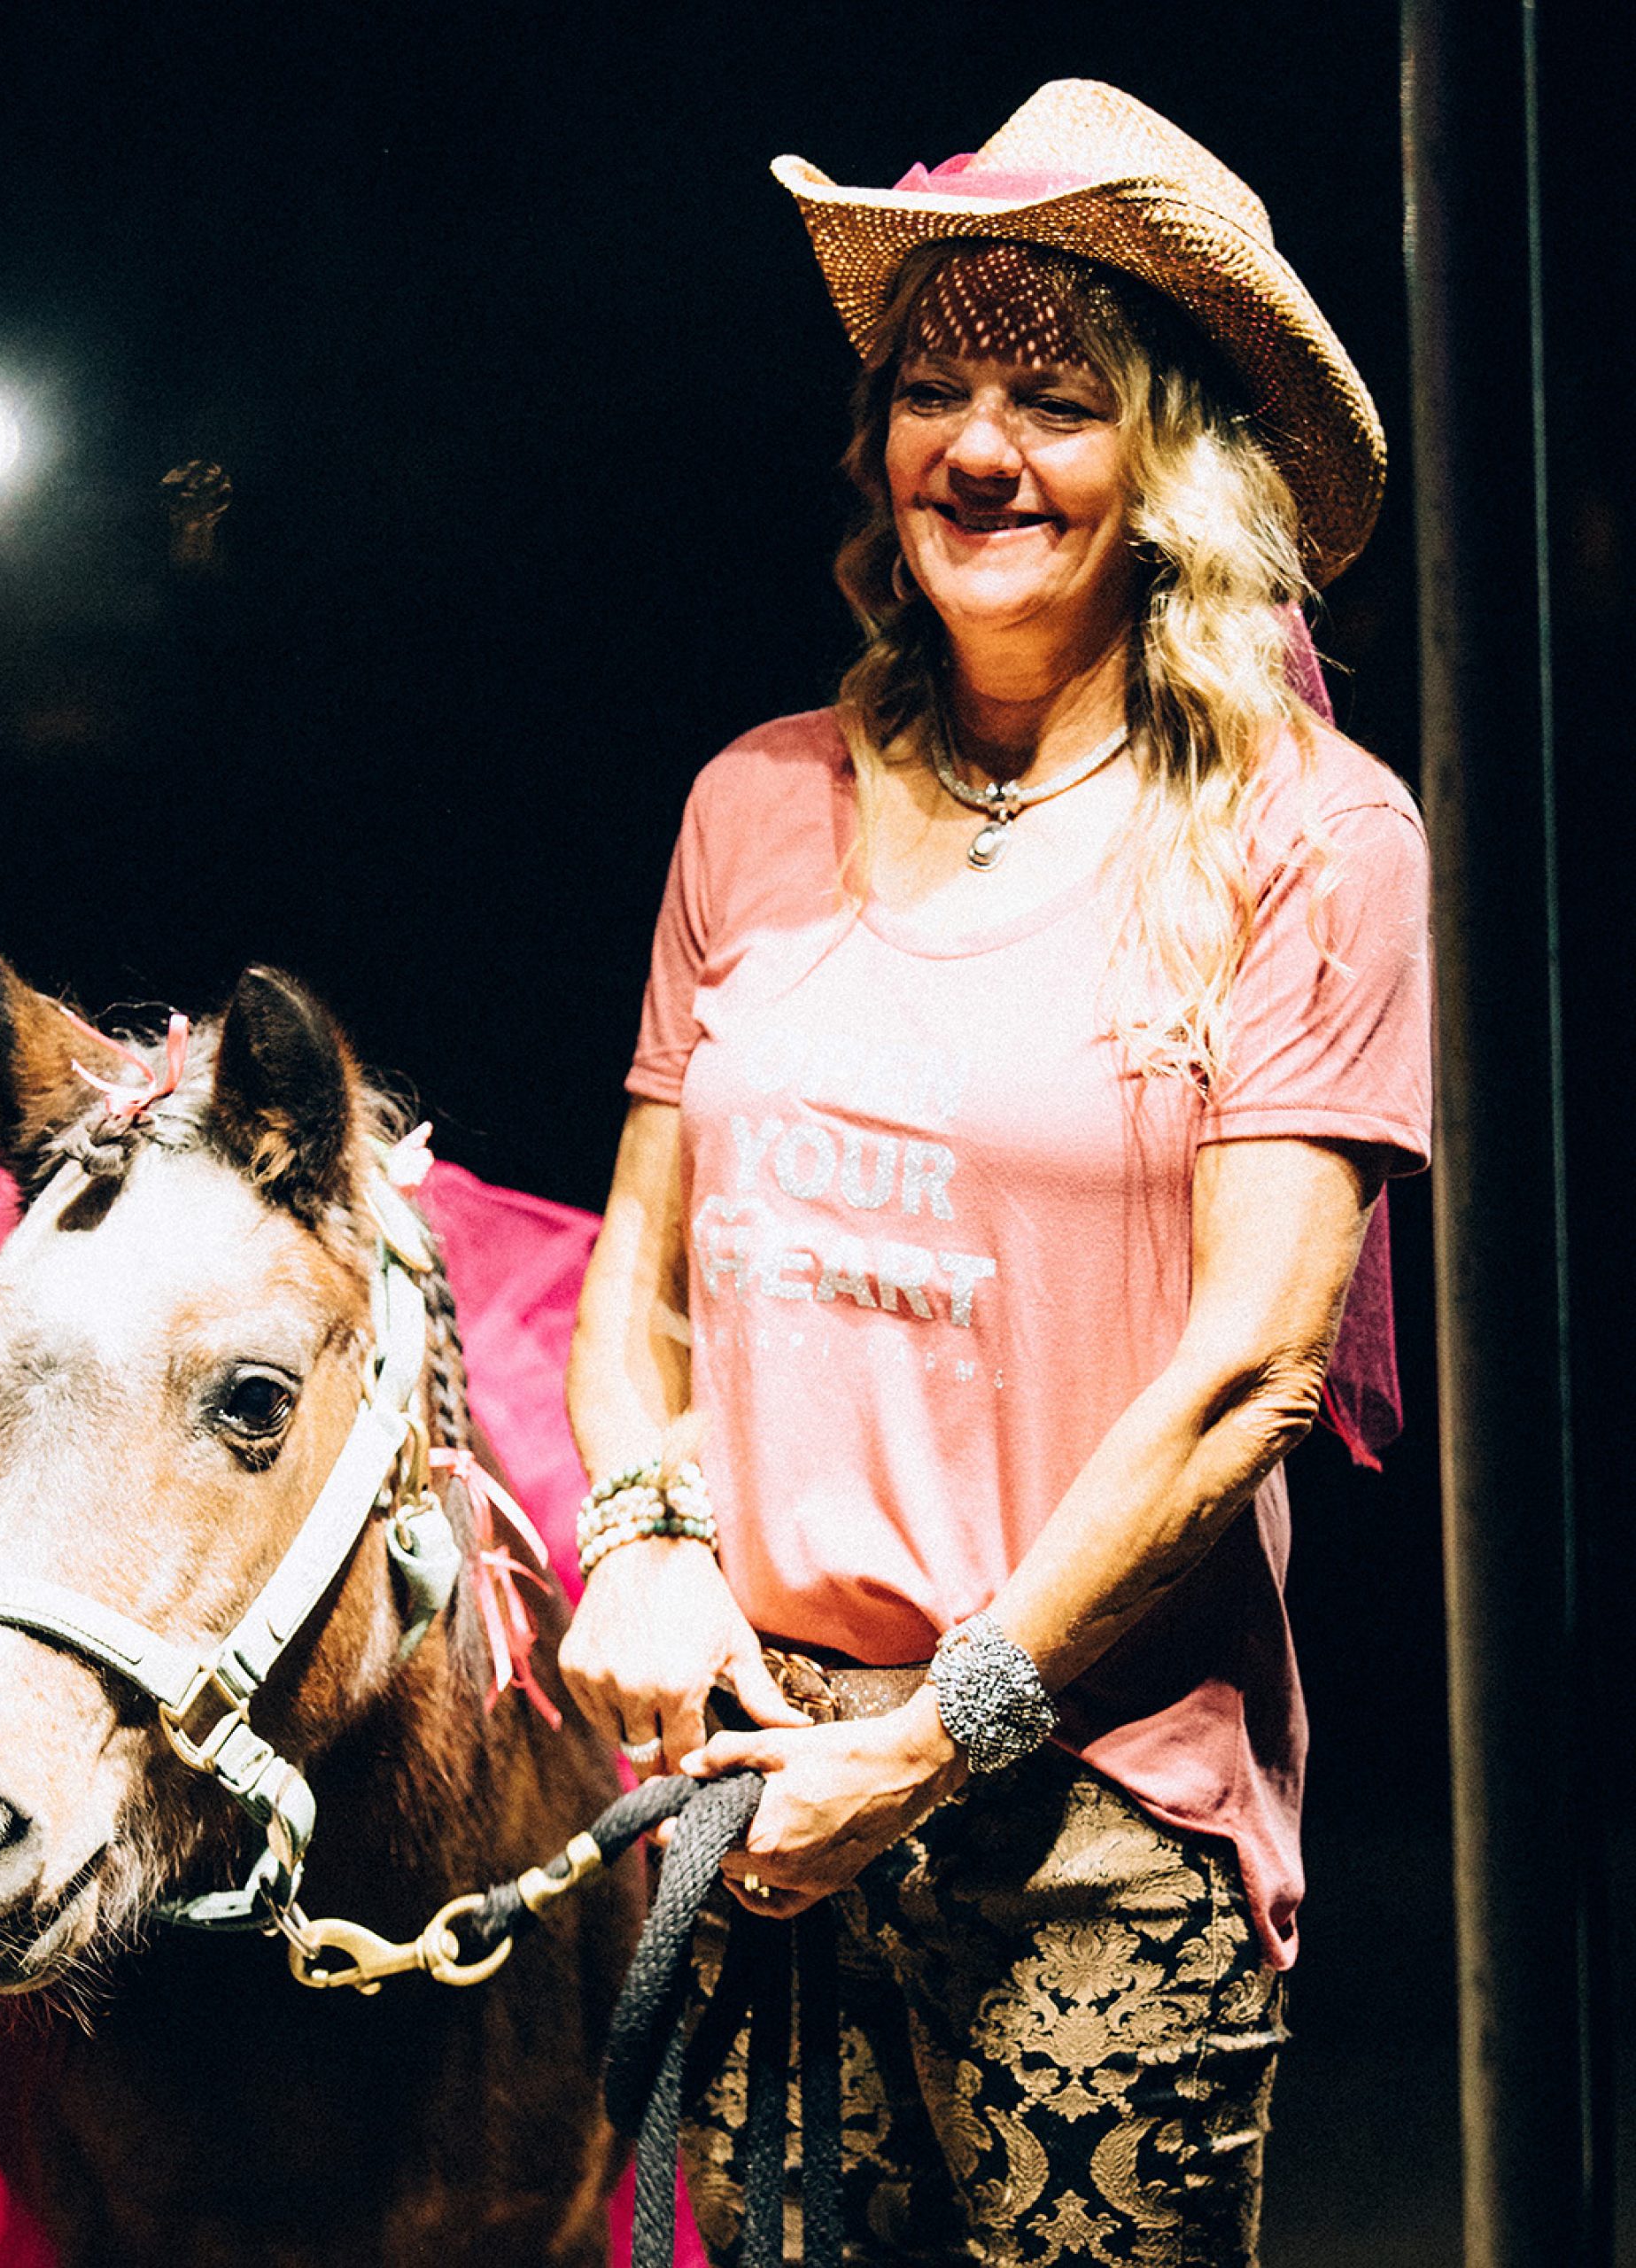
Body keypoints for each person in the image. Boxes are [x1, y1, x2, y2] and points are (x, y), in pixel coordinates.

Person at [558, 80, 1431, 2266]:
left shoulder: (1308, 837)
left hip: (1091, 1815)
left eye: (1055, 400)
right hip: (759, 1775)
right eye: (933, 391)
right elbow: (638, 1275)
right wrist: (644, 1536)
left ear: (1173, 465)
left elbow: (1248, 1376)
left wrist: (938, 1737)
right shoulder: (751, 803)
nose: (977, 450)